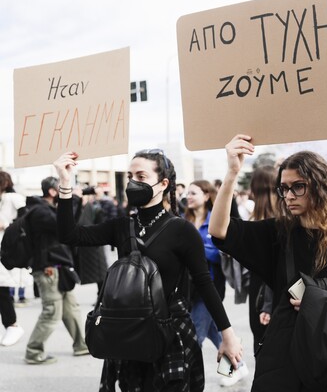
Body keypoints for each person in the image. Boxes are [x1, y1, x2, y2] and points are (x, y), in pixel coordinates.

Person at [209, 135, 327, 391]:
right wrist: (232, 173)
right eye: (284, 188)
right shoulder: (278, 234)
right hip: (292, 367)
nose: (288, 195)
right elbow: (220, 231)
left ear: (321, 186)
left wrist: (319, 300)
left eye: (298, 186)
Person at [53, 150, 243, 391]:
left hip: (170, 334)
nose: (133, 182)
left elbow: (205, 284)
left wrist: (228, 335)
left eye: (141, 176)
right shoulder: (122, 226)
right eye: (130, 176)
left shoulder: (182, 230)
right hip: (128, 333)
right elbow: (69, 235)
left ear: (163, 184)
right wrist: (65, 182)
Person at [184, 179, 248, 387]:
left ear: (206, 196)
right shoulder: (184, 220)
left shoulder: (214, 219)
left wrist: (191, 248)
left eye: (193, 193)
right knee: (216, 331)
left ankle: (185, 379)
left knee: (195, 335)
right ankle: (238, 366)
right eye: (187, 193)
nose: (188, 197)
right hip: (188, 287)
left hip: (209, 286)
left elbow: (217, 253)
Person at [24, 176, 88, 364]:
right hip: (48, 269)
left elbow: (71, 226)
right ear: (53, 192)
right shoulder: (39, 212)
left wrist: (76, 202)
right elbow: (62, 226)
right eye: (63, 188)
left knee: (71, 310)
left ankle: (82, 346)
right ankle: (33, 352)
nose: (67, 191)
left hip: (60, 268)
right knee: (52, 312)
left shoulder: (49, 209)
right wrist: (74, 199)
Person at [247, 166, 278, 354]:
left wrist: (267, 304)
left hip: (265, 294)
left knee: (263, 347)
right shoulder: (284, 218)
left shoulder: (264, 223)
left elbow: (272, 267)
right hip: (266, 292)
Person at [0, 171, 26, 346]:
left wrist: (6, 225)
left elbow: (25, 219)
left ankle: (12, 325)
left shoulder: (13, 198)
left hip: (6, 247)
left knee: (2, 287)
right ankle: (11, 325)